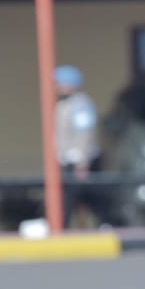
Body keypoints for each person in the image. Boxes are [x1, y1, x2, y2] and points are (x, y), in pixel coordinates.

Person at [53, 64, 103, 227]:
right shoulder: (64, 104)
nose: (57, 87)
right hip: (68, 160)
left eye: (59, 83)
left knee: (81, 197)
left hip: (80, 160)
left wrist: (82, 163)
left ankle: (107, 223)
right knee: (77, 198)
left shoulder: (81, 105)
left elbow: (84, 134)